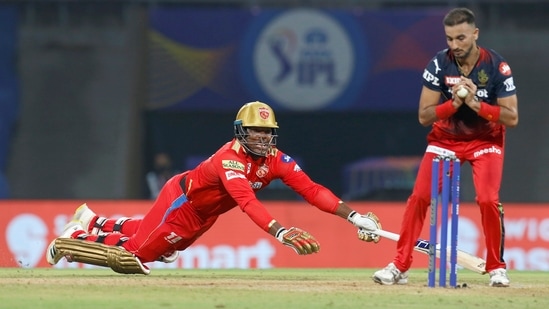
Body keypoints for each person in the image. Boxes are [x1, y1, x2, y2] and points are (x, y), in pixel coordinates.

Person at [46, 101, 382, 274]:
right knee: (136, 255)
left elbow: (312, 190)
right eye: (255, 131)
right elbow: (247, 202)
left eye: (267, 133)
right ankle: (73, 240)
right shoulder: (229, 159)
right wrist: (280, 233)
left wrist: (353, 216)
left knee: (155, 242)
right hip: (183, 202)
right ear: (241, 132)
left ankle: (92, 220)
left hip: (204, 216)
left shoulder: (277, 160)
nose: (262, 138)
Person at [372, 7, 518, 287]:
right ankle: (399, 266)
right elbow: (424, 115)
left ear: (475, 34)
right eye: (450, 39)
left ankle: (497, 268)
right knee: (419, 198)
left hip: (485, 141)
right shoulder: (439, 64)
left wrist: (477, 105)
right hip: (445, 140)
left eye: (461, 38)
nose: (455, 45)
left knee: (488, 199)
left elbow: (512, 117)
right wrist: (454, 103)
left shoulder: (497, 67)